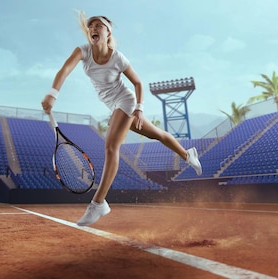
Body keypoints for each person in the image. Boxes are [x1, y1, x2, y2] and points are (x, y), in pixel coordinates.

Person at [41, 12, 202, 226]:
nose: (94, 28)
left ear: (108, 33)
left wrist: (139, 109)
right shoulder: (83, 51)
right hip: (113, 106)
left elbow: (137, 83)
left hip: (125, 101)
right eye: (91, 26)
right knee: (158, 135)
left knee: (110, 147)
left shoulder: (118, 57)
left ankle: (98, 204)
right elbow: (65, 69)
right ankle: (187, 154)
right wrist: (53, 94)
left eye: (99, 25)